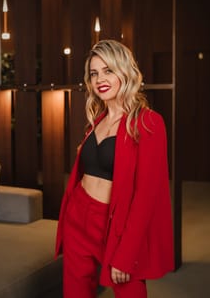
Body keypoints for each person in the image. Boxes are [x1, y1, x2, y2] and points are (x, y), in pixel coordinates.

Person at [55, 39, 174, 298]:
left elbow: (146, 196)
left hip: (115, 223)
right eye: (94, 73)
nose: (100, 79)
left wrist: (127, 253)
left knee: (129, 290)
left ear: (124, 71)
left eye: (108, 70)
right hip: (78, 216)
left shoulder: (148, 122)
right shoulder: (95, 121)